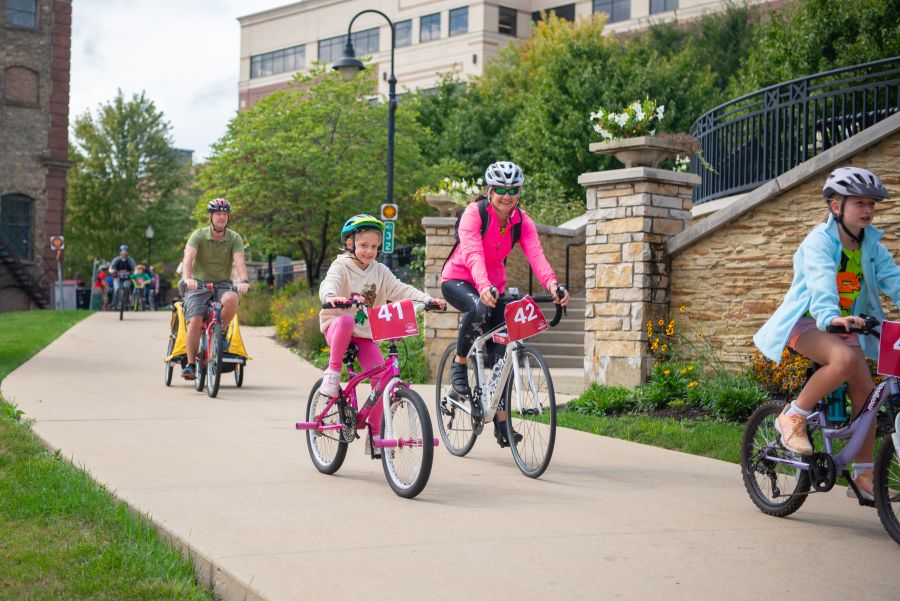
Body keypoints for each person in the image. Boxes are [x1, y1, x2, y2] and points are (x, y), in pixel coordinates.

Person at [753, 166, 900, 501]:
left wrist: (842, 320)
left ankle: (864, 478)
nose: (867, 210)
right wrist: (831, 316)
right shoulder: (819, 241)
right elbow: (821, 282)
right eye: (859, 202)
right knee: (846, 359)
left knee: (867, 398)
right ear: (837, 207)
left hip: (841, 325)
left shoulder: (871, 246)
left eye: (871, 204)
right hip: (807, 321)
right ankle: (792, 417)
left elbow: (894, 279)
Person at [440, 161, 569, 448]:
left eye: (512, 190)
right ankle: (459, 365)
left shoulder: (521, 221)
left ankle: (501, 423)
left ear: (519, 193)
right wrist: (483, 285)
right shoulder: (474, 214)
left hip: (493, 286)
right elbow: (473, 253)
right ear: (489, 190)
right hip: (459, 279)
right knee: (478, 308)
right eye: (500, 189)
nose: (506, 195)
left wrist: (553, 285)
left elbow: (536, 255)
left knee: (502, 351)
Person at [319, 214, 446, 458]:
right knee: (346, 319)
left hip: (365, 335)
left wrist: (427, 299)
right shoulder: (341, 266)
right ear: (350, 244)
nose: (369, 251)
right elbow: (329, 283)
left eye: (374, 247)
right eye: (364, 245)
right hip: (337, 328)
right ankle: (332, 374)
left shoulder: (380, 271)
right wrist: (331, 297)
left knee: (382, 381)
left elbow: (401, 289)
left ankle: (375, 435)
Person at [180, 198, 250, 380]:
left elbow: (239, 261)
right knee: (195, 320)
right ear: (211, 216)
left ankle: (221, 332)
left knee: (232, 299)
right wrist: (188, 279)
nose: (221, 217)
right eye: (218, 214)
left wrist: (244, 280)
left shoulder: (234, 238)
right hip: (198, 284)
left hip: (222, 284)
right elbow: (188, 259)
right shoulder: (199, 235)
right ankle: (190, 364)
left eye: (225, 214)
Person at [108, 245, 136, 309]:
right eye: (122, 251)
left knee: (126, 288)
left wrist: (135, 273)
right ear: (120, 252)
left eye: (125, 251)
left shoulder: (130, 260)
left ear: (127, 252)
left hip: (127, 278)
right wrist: (112, 271)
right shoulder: (116, 259)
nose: (124, 252)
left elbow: (135, 268)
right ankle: (114, 304)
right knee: (117, 289)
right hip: (117, 278)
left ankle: (125, 303)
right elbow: (110, 268)